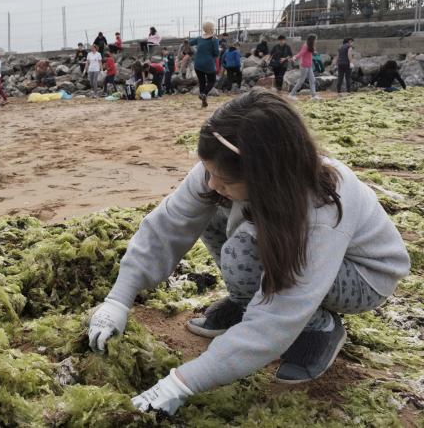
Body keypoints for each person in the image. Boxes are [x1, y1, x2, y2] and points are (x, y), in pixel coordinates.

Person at [88, 89, 409, 416]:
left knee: (246, 247)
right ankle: (245, 303)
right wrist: (118, 299)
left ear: (265, 176)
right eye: (209, 172)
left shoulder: (321, 205)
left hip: (363, 276)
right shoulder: (223, 167)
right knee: (211, 208)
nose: (211, 182)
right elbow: (169, 224)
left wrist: (181, 383)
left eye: (222, 178)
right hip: (301, 251)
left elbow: (280, 311)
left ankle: (319, 328)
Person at [188, 22, 219, 108]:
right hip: (208, 63)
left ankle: (203, 101)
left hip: (198, 63)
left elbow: (188, 43)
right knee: (212, 81)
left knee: (202, 82)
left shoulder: (199, 38)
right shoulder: (214, 39)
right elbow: (216, 52)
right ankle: (204, 94)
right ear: (212, 28)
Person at [289, 34, 319, 100]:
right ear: (312, 40)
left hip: (309, 65)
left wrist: (315, 52)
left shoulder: (311, 46)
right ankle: (291, 94)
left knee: (312, 80)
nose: (316, 41)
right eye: (315, 39)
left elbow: (310, 53)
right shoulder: (306, 46)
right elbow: (301, 53)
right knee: (301, 81)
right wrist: (294, 57)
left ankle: (314, 96)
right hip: (304, 66)